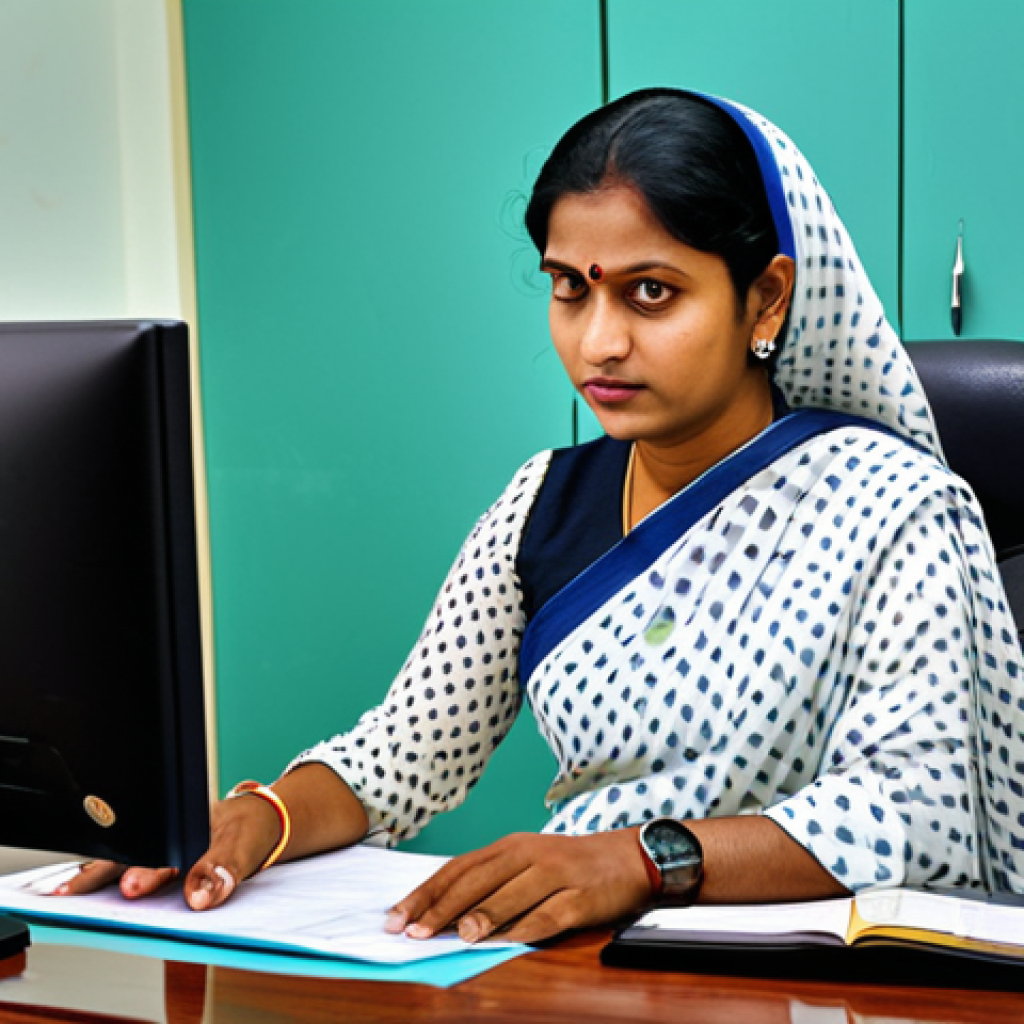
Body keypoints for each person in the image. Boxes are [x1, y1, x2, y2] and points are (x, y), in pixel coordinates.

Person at [65, 88, 1024, 943]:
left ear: (764, 297)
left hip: (802, 988)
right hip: (577, 972)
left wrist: (638, 860)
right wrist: (256, 820)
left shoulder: (897, 509)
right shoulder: (544, 503)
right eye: (571, 287)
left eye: (653, 292)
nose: (598, 342)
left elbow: (915, 816)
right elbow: (403, 752)